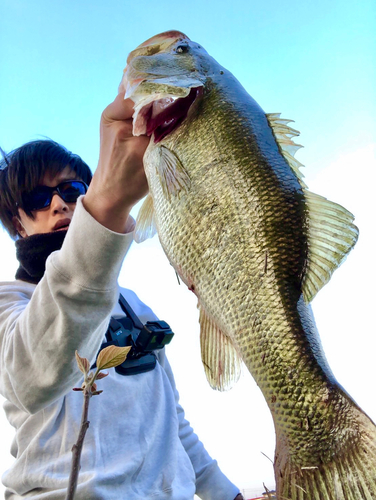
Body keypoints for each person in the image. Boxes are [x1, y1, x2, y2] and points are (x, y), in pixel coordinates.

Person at [0, 92, 244, 500]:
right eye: (38, 199)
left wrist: (227, 494)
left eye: (73, 188)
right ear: (17, 224)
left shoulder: (135, 304)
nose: (60, 203)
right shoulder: (10, 301)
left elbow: (171, 421)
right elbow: (31, 377)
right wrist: (106, 205)